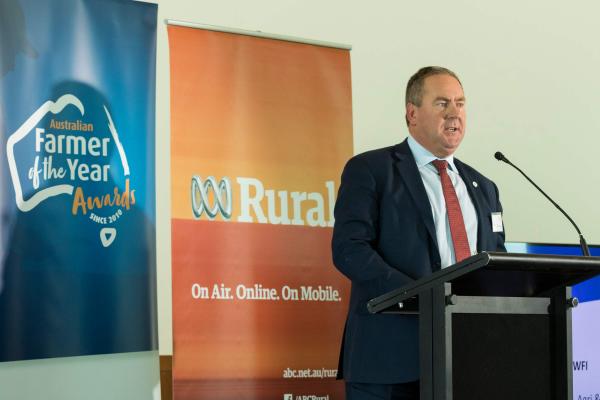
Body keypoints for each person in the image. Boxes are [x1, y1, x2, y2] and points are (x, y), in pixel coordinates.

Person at [331, 66, 506, 400]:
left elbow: (495, 263)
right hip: (389, 359)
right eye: (442, 103)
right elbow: (349, 249)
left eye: (460, 103)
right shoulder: (371, 170)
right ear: (412, 113)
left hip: (468, 357)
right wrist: (416, 295)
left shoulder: (484, 187)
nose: (455, 113)